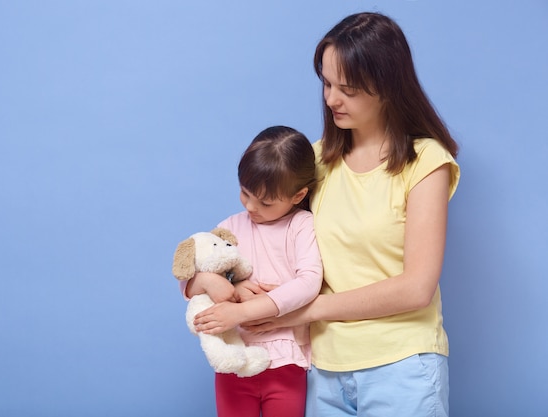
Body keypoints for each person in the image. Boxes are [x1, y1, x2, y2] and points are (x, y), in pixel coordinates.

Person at [197, 12, 461, 417]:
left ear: (388, 87)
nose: (331, 99)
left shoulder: (425, 162)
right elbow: (256, 240)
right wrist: (218, 281)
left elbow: (416, 288)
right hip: (321, 371)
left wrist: (306, 309)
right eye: (326, 82)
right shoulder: (315, 162)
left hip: (402, 365)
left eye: (348, 89)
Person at [183, 125, 323, 417]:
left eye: (266, 202)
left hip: (286, 361)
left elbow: (309, 281)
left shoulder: (301, 225)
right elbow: (192, 284)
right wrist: (215, 283)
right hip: (235, 357)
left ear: (298, 195)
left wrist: (244, 311)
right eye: (245, 193)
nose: (251, 206)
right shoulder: (230, 227)